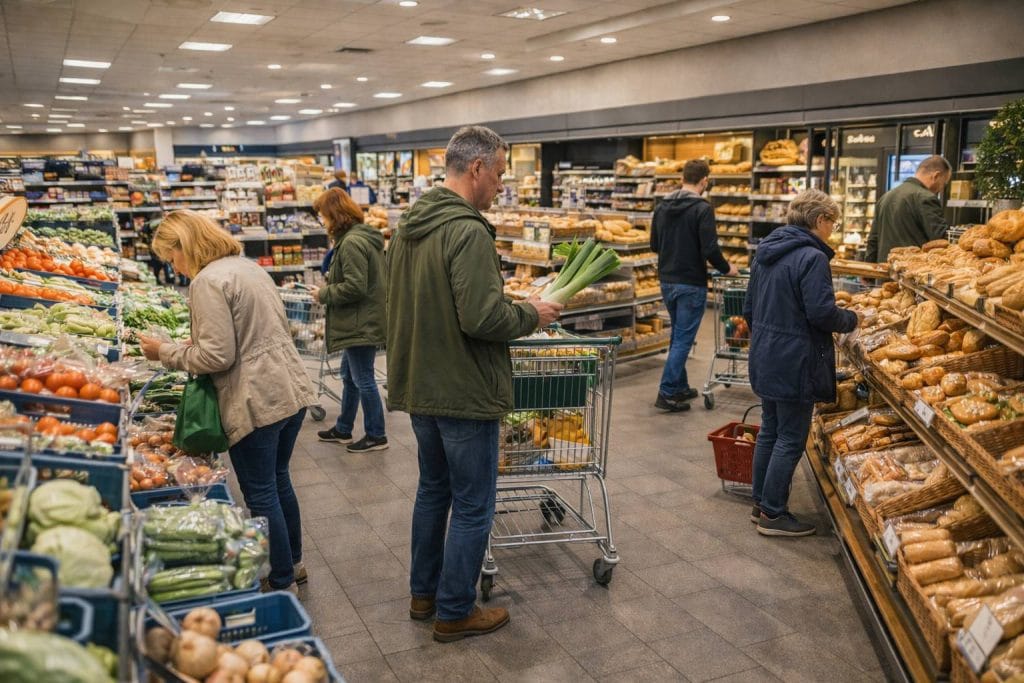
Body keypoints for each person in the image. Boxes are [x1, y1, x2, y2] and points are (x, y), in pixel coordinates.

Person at [386, 125, 562, 642]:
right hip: (462, 387)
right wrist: (532, 313)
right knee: (472, 503)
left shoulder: (408, 227)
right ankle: (455, 609)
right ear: (478, 168)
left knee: (433, 492)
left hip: (421, 382)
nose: (502, 184)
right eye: (502, 172)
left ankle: (424, 594)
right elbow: (482, 318)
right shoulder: (468, 231)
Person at [139, 210, 316, 593]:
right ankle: (295, 564)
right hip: (289, 387)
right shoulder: (245, 267)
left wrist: (165, 352)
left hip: (256, 398)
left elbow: (218, 357)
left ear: (185, 245)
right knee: (278, 480)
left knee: (261, 492)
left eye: (172, 258)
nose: (175, 268)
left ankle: (281, 581)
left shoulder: (207, 281)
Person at [743, 190, 858, 537]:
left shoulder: (765, 253)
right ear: (820, 219)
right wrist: (852, 319)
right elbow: (821, 313)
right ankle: (774, 515)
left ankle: (761, 502)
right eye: (832, 223)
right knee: (792, 437)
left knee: (771, 430)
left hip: (766, 353)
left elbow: (748, 308)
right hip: (795, 358)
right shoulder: (812, 257)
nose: (832, 230)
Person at [650, 158, 738, 413]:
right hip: (691, 282)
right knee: (683, 339)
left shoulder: (662, 206)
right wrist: (727, 268)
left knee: (679, 335)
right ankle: (667, 392)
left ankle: (680, 386)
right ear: (704, 181)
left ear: (682, 178)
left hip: (667, 280)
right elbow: (710, 248)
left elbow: (655, 244)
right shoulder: (702, 208)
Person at [310, 188, 388, 453]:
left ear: (335, 215)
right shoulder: (357, 238)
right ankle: (344, 428)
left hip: (360, 321)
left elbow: (356, 286)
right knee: (349, 375)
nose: (322, 221)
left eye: (323, 216)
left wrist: (324, 293)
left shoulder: (353, 242)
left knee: (363, 378)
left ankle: (377, 435)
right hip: (360, 319)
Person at [865, 155, 951, 263]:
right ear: (936, 176)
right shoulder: (926, 198)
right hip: (912, 272)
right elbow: (940, 240)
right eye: (944, 183)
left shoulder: (885, 196)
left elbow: (873, 238)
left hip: (884, 270)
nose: (941, 188)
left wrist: (869, 266)